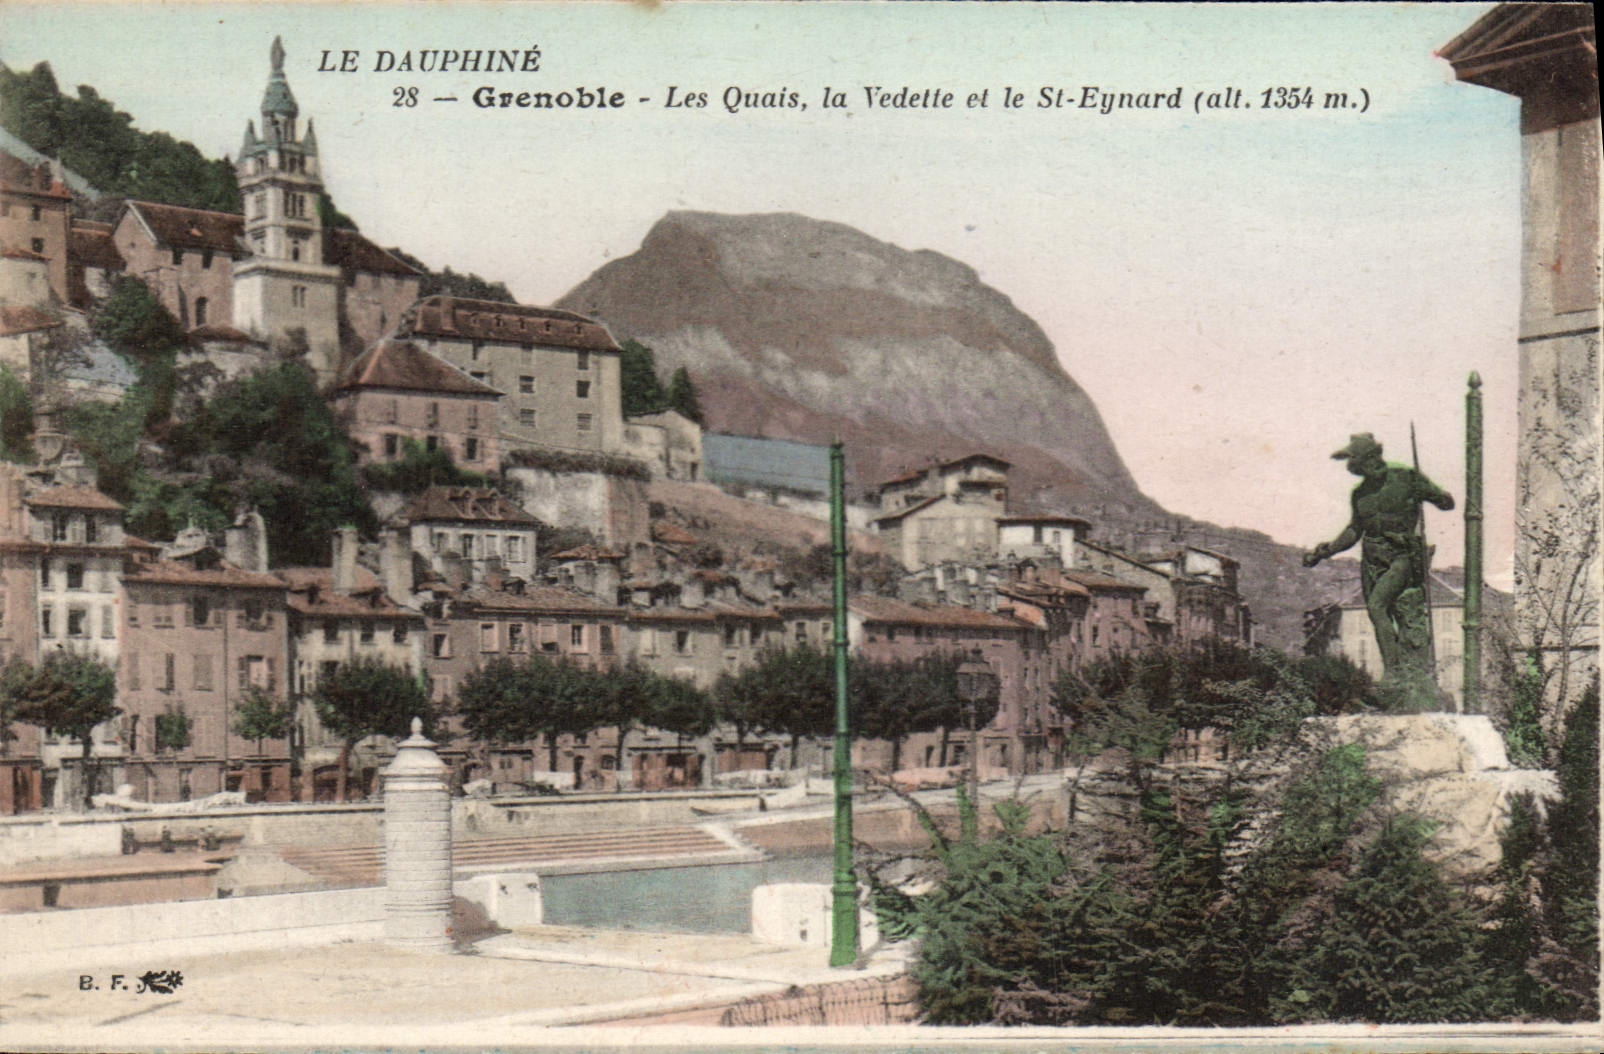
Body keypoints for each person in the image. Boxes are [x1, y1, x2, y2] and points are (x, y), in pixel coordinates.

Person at [1304, 433, 1454, 704]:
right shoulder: (1360, 495)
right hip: (1373, 561)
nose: (1361, 467)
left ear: (1374, 457)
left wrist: (1439, 497)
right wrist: (1326, 551)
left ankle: (1395, 674)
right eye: (1358, 463)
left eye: (1362, 460)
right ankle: (1397, 674)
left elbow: (1444, 500)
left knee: (1376, 606)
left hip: (1403, 556)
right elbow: (1354, 530)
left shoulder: (1406, 478)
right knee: (1379, 613)